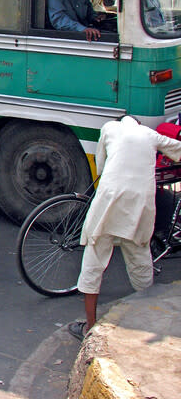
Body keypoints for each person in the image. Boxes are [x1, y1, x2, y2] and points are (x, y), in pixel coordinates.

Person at [69, 115, 181, 340]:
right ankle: (146, 319)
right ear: (138, 124)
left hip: (109, 201)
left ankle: (89, 327)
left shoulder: (109, 128)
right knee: (139, 259)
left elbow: (100, 165)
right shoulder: (150, 135)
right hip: (140, 204)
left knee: (94, 260)